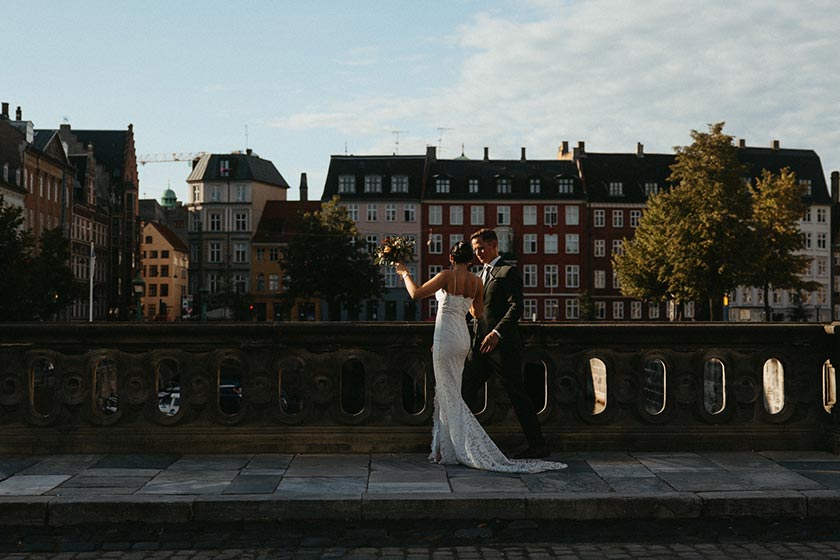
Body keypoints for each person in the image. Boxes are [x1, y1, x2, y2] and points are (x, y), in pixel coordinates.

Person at [395, 241, 565, 473]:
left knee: (448, 393)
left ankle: (452, 448)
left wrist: (404, 273)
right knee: (454, 391)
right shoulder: (477, 281)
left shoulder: (445, 275)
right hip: (463, 340)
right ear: (470, 259)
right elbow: (476, 312)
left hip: (446, 336)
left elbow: (415, 293)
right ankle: (444, 447)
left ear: (450, 257)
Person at [463, 228, 550, 459]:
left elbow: (516, 306)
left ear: (494, 245)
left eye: (481, 247)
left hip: (502, 348)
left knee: (517, 394)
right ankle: (464, 442)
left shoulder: (508, 271)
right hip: (479, 347)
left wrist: (497, 333)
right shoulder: (481, 274)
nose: (478, 253)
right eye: (475, 250)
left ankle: (537, 444)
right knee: (464, 391)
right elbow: (475, 311)